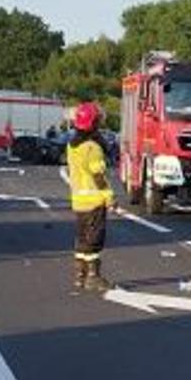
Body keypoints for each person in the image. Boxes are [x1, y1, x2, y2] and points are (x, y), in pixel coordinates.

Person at [66, 102, 117, 293]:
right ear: (94, 123)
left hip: (78, 201)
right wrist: (110, 197)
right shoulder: (92, 147)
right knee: (95, 240)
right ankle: (93, 277)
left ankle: (80, 276)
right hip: (94, 201)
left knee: (81, 239)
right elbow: (98, 177)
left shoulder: (72, 145)